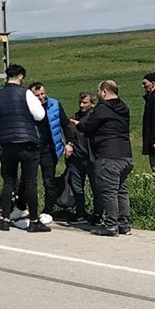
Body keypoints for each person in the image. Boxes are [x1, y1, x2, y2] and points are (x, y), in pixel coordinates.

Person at [0, 64, 49, 232]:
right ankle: (34, 221)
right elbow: (40, 115)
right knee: (30, 181)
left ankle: (5, 219)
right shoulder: (26, 93)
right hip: (27, 142)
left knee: (9, 181)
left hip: (7, 143)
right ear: (21, 77)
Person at [76, 80, 133, 236]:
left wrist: (77, 125)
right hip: (125, 154)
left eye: (98, 91)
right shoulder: (124, 107)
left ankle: (110, 225)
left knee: (109, 192)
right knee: (121, 191)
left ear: (105, 92)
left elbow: (89, 127)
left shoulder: (102, 108)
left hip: (108, 154)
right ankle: (123, 224)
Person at [28, 82, 73, 224]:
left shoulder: (55, 104)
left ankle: (48, 210)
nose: (41, 97)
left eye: (43, 93)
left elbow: (65, 125)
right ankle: (25, 207)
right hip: (32, 148)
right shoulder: (27, 107)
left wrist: (69, 143)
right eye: (37, 95)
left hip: (49, 148)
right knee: (29, 180)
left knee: (49, 181)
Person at [65, 92, 102, 225]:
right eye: (80, 102)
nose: (81, 105)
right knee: (77, 188)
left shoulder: (94, 118)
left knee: (96, 187)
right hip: (76, 158)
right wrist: (69, 144)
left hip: (91, 158)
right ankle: (80, 213)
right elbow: (69, 134)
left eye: (85, 103)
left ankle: (98, 215)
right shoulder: (74, 117)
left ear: (92, 104)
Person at [141, 72, 155, 184]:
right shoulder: (154, 98)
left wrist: (154, 141)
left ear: (153, 83)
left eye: (145, 83)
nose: (143, 86)